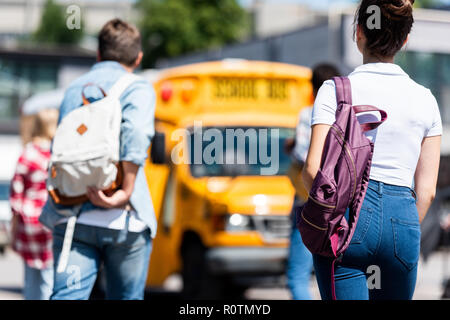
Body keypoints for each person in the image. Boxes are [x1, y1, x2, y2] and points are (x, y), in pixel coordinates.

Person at [302, 0, 442, 300]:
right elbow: (427, 191)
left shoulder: (334, 91)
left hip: (348, 218)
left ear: (359, 33)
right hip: (403, 223)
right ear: (405, 40)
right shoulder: (426, 99)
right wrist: (399, 228)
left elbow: (313, 170)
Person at [39, 19, 157, 300]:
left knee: (67, 296)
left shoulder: (74, 89)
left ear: (98, 54)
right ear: (138, 58)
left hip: (72, 215)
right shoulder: (138, 88)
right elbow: (137, 132)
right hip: (124, 221)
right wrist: (124, 191)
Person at [285, 64, 341, 300]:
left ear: (312, 87)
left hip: (308, 201)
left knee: (298, 276)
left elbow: (302, 154)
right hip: (341, 203)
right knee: (338, 275)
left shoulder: (309, 113)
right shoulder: (346, 114)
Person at [10, 108, 59, 300]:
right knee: (49, 275)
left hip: (29, 220)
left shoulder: (28, 153)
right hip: (52, 218)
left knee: (30, 277)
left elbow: (16, 193)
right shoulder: (57, 153)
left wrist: (14, 227)